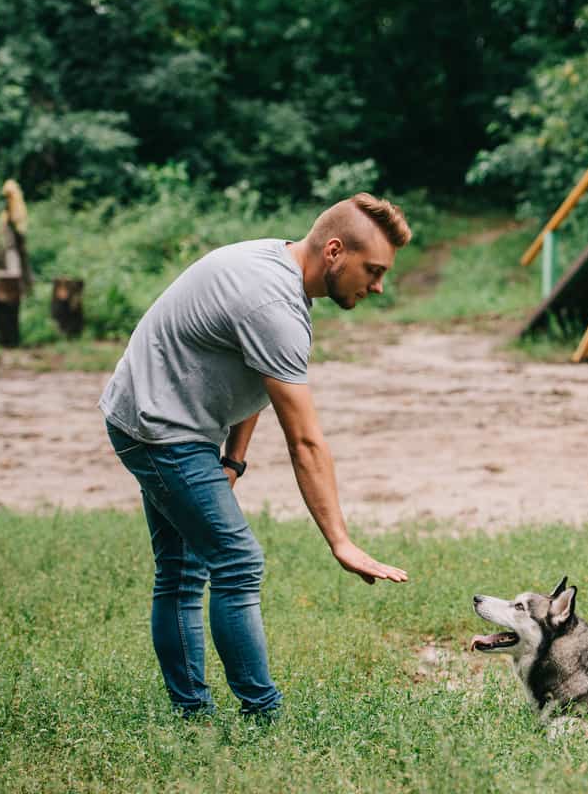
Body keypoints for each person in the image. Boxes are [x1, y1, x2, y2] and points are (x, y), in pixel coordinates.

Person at [99, 193, 411, 720]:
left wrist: (234, 458)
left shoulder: (280, 267)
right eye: (373, 270)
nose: (378, 286)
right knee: (237, 561)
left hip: (157, 414)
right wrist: (341, 542)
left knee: (181, 569)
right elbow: (306, 442)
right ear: (335, 250)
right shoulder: (272, 305)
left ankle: (191, 716)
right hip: (160, 430)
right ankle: (262, 715)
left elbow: (252, 374)